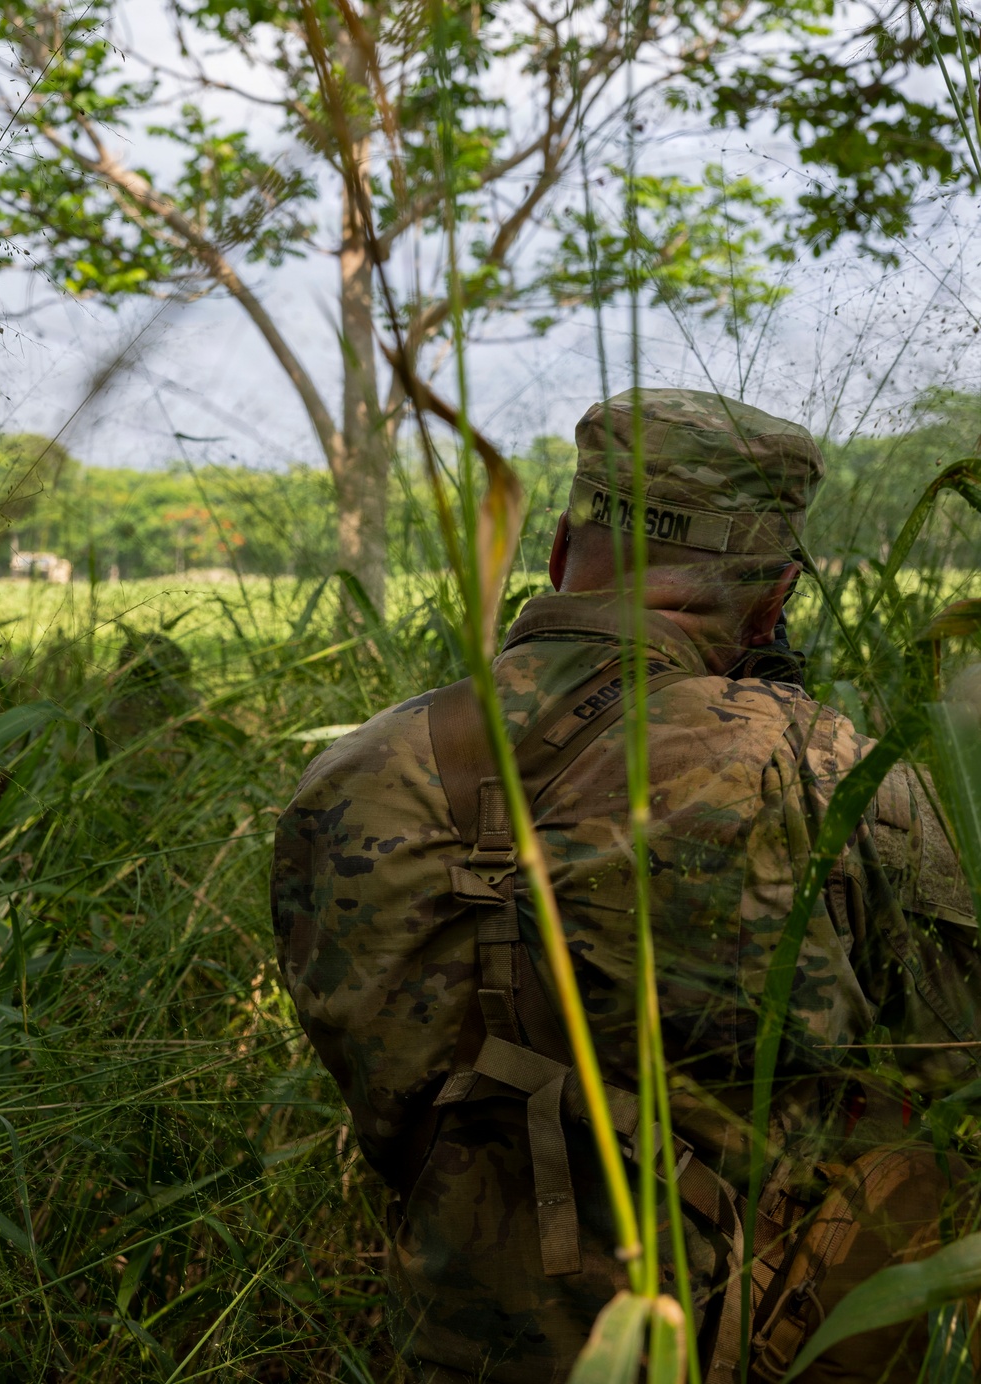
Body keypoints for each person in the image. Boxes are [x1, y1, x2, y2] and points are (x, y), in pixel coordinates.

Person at [271, 389, 980, 1384]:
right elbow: (950, 1065)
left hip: (449, 1337)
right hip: (740, 1344)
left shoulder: (351, 770)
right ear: (772, 598)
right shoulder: (823, 768)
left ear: (562, 548)